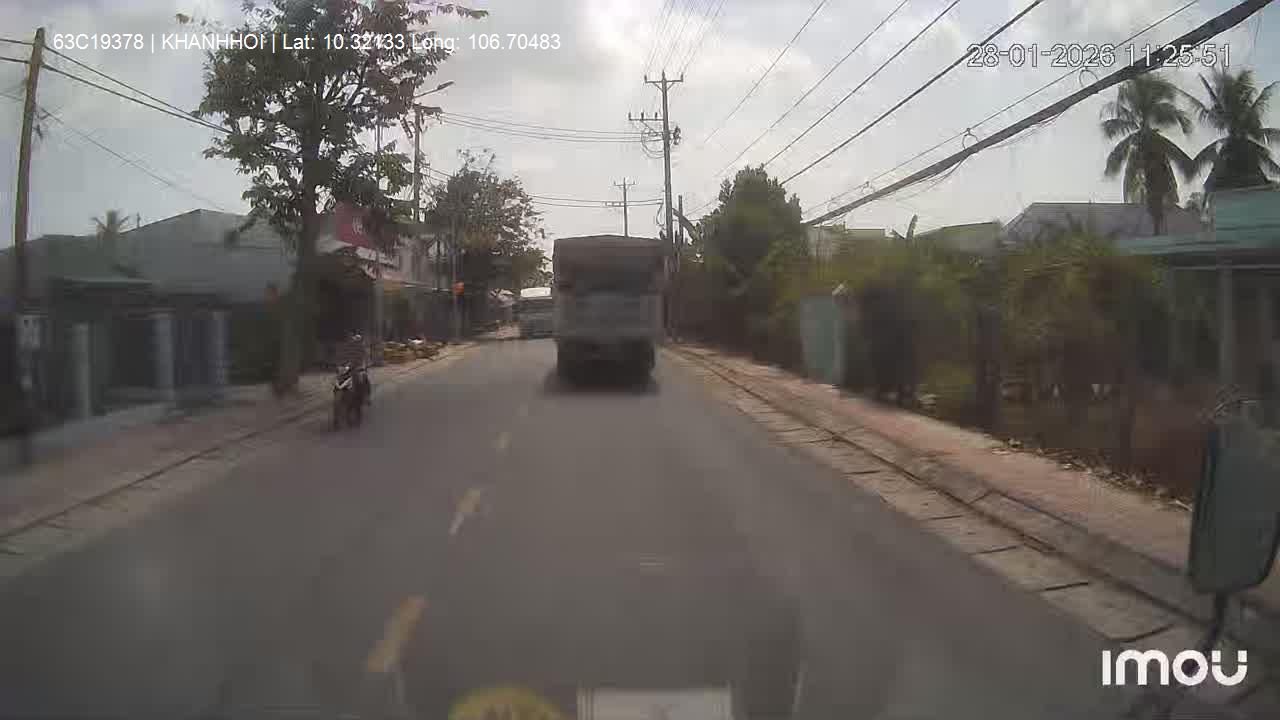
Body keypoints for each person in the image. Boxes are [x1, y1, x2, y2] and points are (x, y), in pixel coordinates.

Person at [335, 331, 372, 406]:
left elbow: (366, 359)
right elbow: (341, 358)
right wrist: (339, 365)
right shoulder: (346, 348)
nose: (354, 342)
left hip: (359, 368)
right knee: (339, 379)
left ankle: (366, 397)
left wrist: (365, 366)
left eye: (358, 341)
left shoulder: (362, 349)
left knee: (363, 379)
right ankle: (337, 395)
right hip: (348, 368)